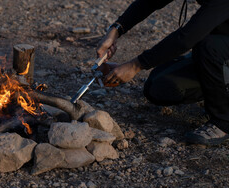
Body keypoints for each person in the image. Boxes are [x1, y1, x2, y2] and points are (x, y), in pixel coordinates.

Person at [96, 0, 229, 146]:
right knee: (159, 87)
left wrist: (135, 66)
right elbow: (148, 3)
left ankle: (223, 122)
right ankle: (220, 80)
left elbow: (187, 38)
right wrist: (115, 30)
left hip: (217, 48)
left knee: (209, 47)